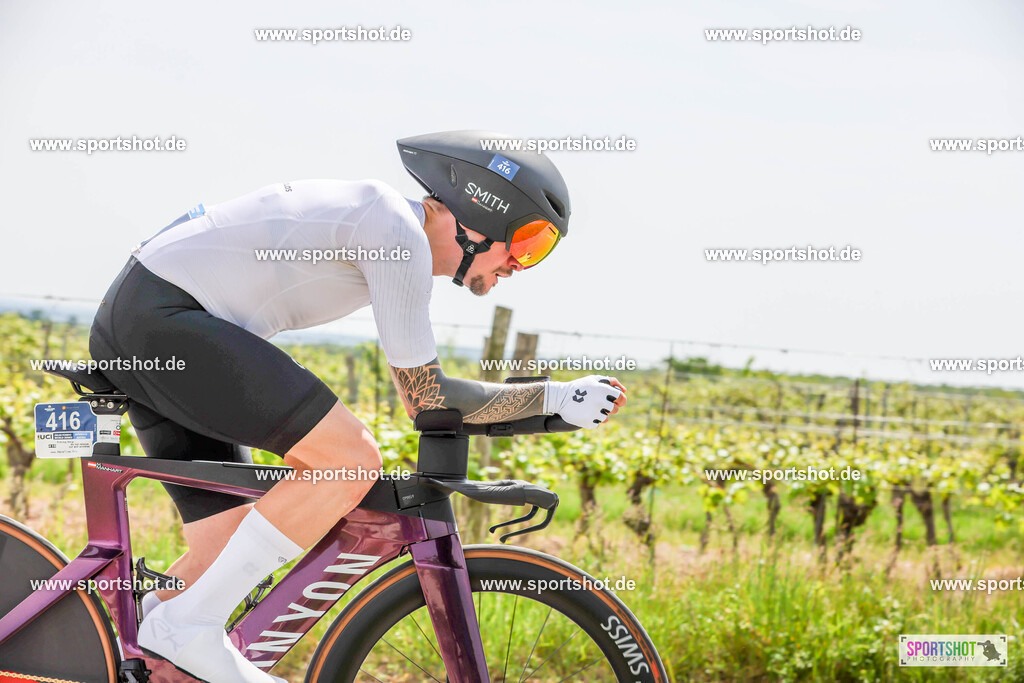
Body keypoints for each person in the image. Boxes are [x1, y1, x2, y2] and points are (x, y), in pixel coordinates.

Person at [88, 130, 628, 682]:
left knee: (226, 547)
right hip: (163, 319)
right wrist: (553, 398)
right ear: (481, 213)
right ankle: (187, 628)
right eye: (529, 243)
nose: (521, 264)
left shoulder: (387, 226)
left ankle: (138, 648)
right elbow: (428, 399)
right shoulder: (394, 230)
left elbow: (431, 397)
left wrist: (544, 406)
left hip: (150, 319)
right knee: (348, 461)